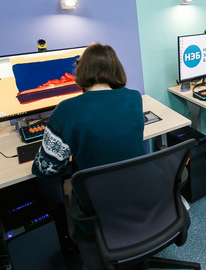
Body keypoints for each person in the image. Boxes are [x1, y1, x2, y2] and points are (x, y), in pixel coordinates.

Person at [32, 43, 145, 178]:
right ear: (116, 69)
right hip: (137, 182)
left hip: (95, 189)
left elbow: (46, 169)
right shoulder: (134, 97)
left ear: (81, 70)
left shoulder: (67, 109)